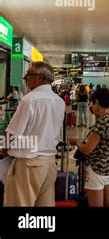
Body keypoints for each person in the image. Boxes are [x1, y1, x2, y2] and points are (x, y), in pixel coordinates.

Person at [3, 62, 65, 206]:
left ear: (40, 78)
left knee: (20, 204)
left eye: (28, 75)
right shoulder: (59, 102)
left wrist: (4, 148)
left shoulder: (29, 100)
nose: (25, 78)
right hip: (49, 163)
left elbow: (13, 133)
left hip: (29, 164)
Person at [69, 88, 109, 207]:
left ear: (97, 102)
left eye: (92, 103)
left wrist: (77, 142)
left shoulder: (103, 122)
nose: (91, 107)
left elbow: (87, 149)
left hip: (97, 169)